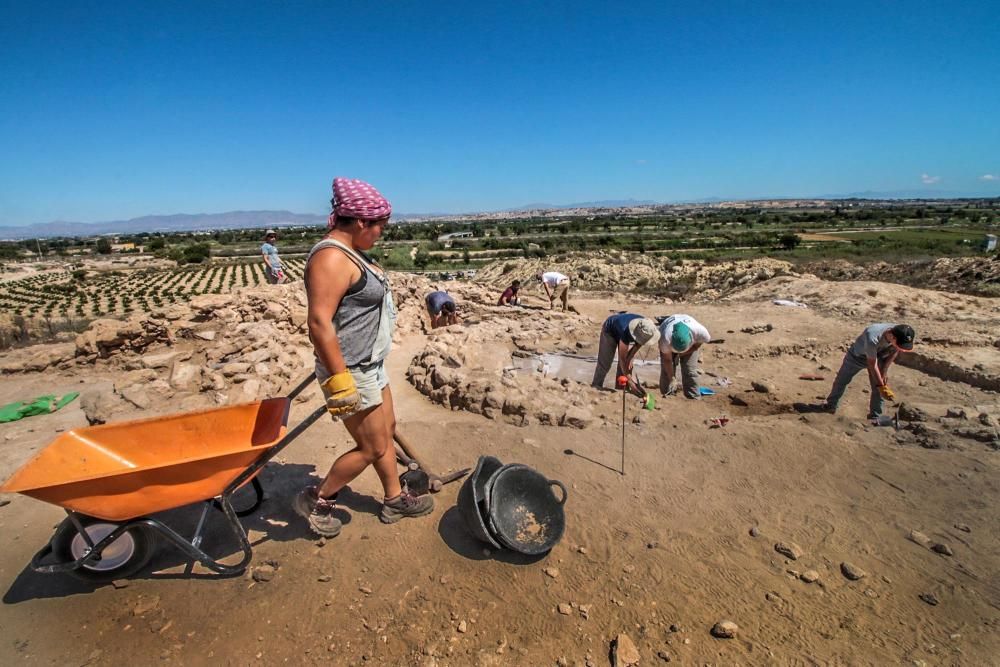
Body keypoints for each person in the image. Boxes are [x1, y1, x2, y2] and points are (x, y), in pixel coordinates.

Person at [294, 177, 433, 538]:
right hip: (351, 370)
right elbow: (319, 322)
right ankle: (318, 498)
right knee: (371, 447)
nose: (380, 234)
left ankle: (394, 498)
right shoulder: (331, 258)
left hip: (370, 365)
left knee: (385, 432)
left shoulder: (350, 252)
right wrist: (340, 381)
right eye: (379, 227)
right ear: (360, 222)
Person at [822, 323, 915, 418]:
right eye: (899, 345)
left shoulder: (900, 333)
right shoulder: (872, 336)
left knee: (879, 388)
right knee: (841, 381)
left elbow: (895, 351)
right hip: (857, 356)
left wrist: (884, 372)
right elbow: (872, 364)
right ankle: (831, 405)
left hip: (879, 356)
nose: (901, 349)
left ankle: (875, 416)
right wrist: (881, 386)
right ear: (891, 336)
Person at [592, 313, 658, 398]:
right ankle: (595, 387)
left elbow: (640, 342)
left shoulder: (647, 327)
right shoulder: (625, 330)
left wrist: (631, 356)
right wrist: (630, 382)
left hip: (623, 332)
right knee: (605, 363)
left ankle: (620, 391)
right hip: (610, 331)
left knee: (628, 365)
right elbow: (622, 359)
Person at [657, 314, 712, 398]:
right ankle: (668, 396)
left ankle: (693, 397)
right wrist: (672, 378)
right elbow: (667, 360)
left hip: (691, 347)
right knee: (666, 372)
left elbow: (697, 345)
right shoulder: (665, 339)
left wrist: (688, 351)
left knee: (690, 370)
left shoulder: (701, 332)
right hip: (668, 337)